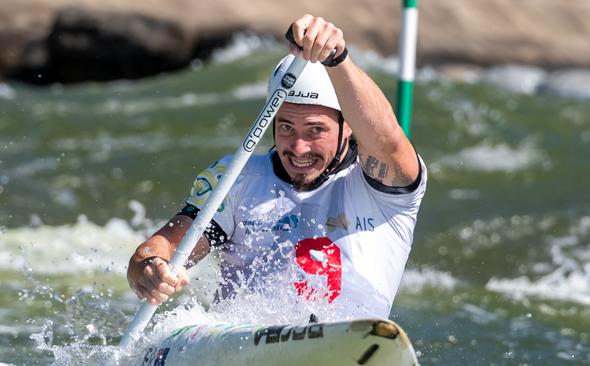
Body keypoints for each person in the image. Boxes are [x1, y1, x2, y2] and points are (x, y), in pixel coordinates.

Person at [127, 14, 427, 320]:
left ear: (348, 126)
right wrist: (149, 268)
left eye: (315, 131)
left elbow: (387, 140)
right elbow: (156, 251)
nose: (298, 148)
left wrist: (339, 59)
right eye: (286, 127)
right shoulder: (238, 178)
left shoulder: (383, 187)